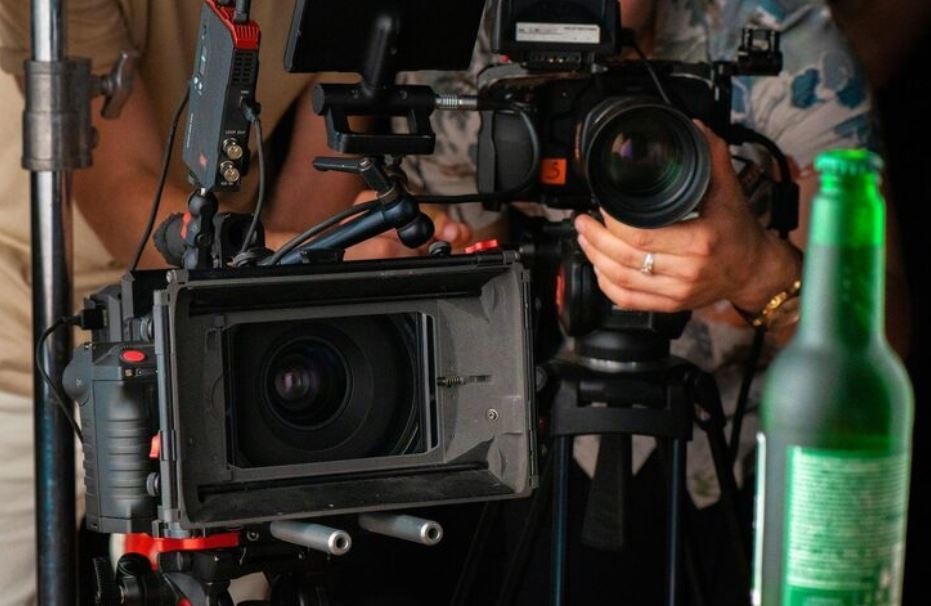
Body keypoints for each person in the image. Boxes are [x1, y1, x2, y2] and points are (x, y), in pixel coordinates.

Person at [402, 0, 911, 603]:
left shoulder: (780, 39)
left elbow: (883, 351)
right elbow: (297, 220)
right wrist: (393, 244)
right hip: (527, 421)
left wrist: (757, 272)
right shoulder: (459, 37)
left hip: (730, 444)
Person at [0, 2, 470, 603]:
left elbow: (309, 203)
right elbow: (126, 202)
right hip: (28, 338)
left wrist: (341, 249)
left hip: (212, 335)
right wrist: (335, 251)